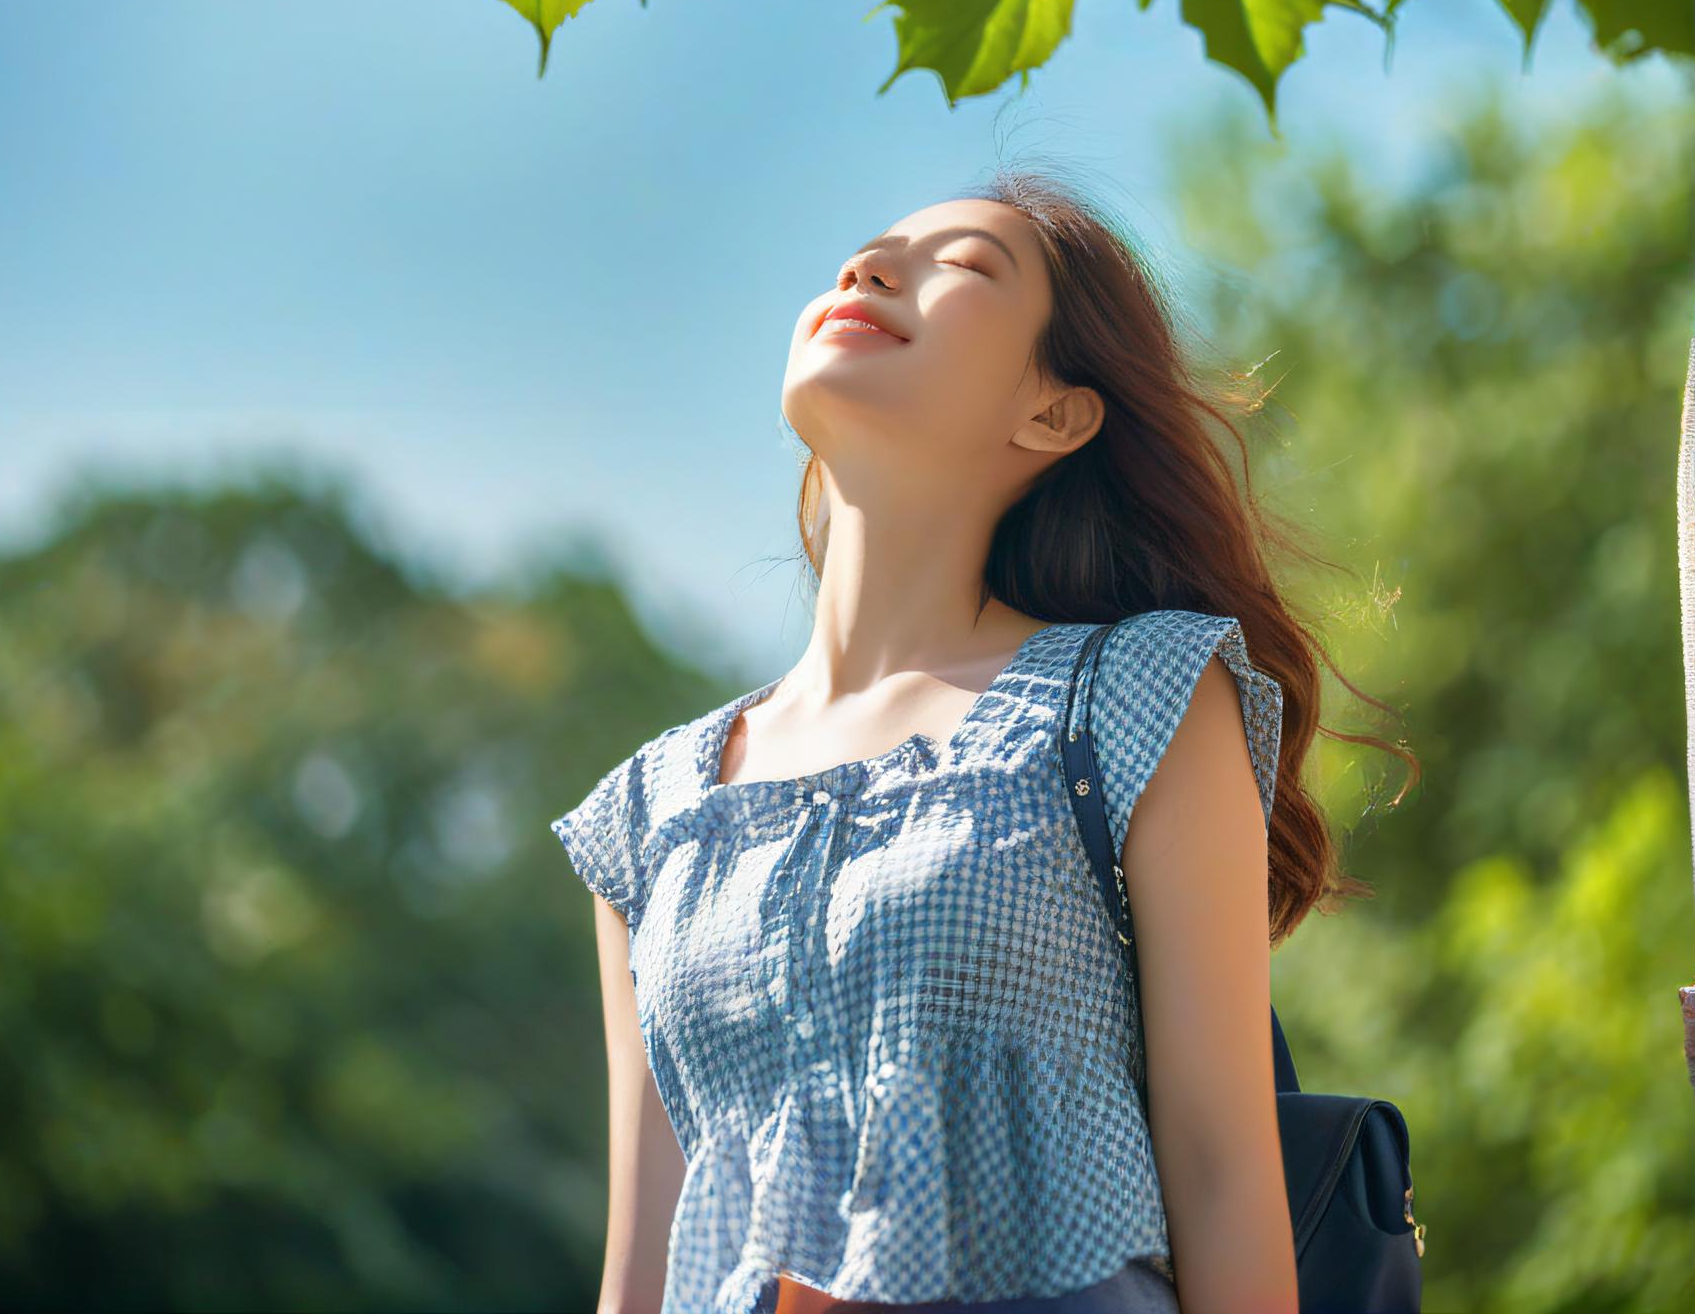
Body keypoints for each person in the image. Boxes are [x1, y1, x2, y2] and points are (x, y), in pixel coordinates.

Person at [551, 171, 1417, 1314]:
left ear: (1055, 412)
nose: (867, 268)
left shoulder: (1138, 693)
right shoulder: (650, 812)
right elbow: (645, 1260)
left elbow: (1221, 1173)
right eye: (864, 252)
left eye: (961, 264)